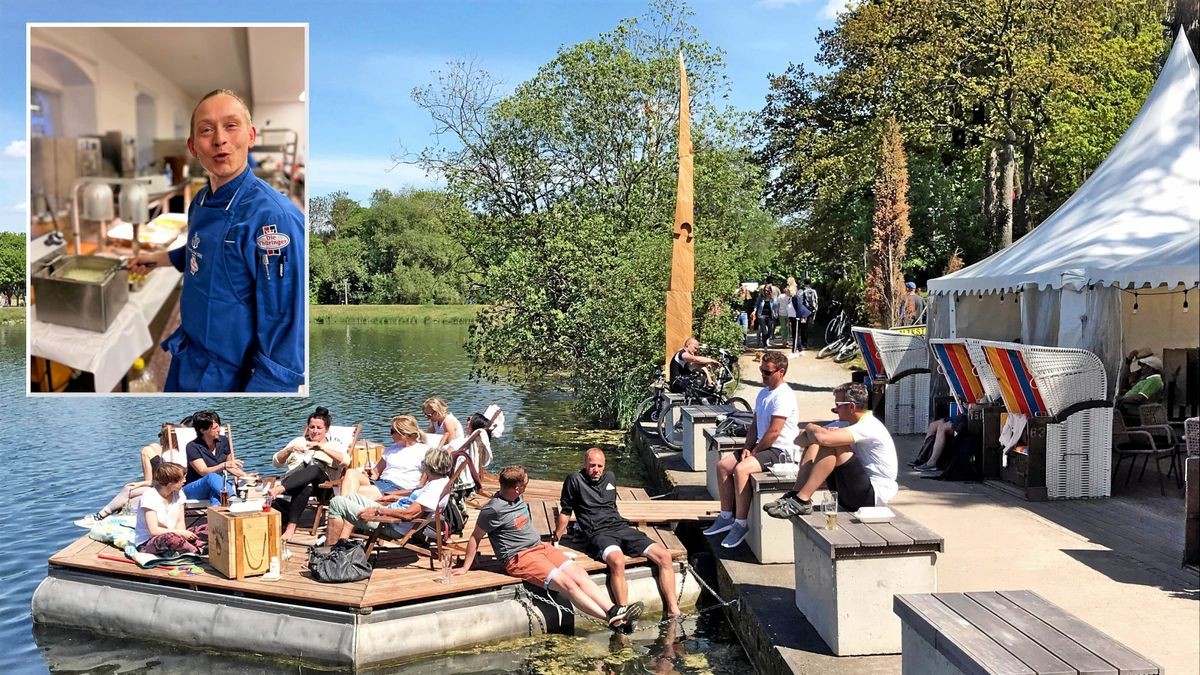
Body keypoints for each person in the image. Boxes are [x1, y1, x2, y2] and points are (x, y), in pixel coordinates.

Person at [130, 89, 304, 393]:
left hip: (231, 377)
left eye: (231, 126)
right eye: (206, 130)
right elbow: (207, 252)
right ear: (193, 147)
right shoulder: (200, 202)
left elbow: (285, 339)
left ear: (251, 135)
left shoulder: (274, 219)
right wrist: (159, 259)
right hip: (188, 358)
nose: (220, 139)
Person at [454, 465, 644, 630]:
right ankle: (611, 619)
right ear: (518, 488)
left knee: (579, 575)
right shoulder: (492, 510)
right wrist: (464, 568)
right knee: (567, 584)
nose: (528, 487)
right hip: (519, 558)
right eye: (526, 485)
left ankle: (614, 609)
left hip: (540, 547)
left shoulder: (517, 497)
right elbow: (475, 537)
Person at [554, 448, 681, 617]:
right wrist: (556, 539)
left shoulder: (610, 477)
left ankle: (673, 609)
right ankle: (623, 613)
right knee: (618, 560)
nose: (596, 470)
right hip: (597, 533)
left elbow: (612, 507)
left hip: (620, 527)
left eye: (600, 466)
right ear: (584, 464)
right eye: (592, 465)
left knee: (664, 556)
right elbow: (566, 512)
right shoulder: (574, 480)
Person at [704, 350, 799, 548]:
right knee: (723, 465)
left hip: (780, 450)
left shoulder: (784, 395)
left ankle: (741, 523)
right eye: (761, 371)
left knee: (741, 469)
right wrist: (747, 446)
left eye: (767, 372)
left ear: (780, 372)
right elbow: (755, 424)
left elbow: (774, 432)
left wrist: (754, 451)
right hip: (762, 447)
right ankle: (726, 516)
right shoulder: (764, 393)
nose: (763, 375)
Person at [764, 382, 899, 518]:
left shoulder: (869, 425)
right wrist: (816, 435)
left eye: (837, 406)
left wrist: (810, 427)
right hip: (848, 491)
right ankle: (796, 494)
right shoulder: (845, 423)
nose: (835, 410)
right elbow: (798, 440)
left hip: (870, 496)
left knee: (829, 443)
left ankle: (802, 500)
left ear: (851, 406)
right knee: (815, 443)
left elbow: (823, 439)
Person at [324, 446, 454, 544]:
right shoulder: (440, 481)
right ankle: (339, 543)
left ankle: (329, 551)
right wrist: (397, 498)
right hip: (391, 514)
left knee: (337, 503)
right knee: (351, 498)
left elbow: (409, 514)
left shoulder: (435, 487)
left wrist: (380, 510)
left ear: (429, 466)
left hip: (392, 524)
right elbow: (416, 504)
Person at [75, 423, 190, 528]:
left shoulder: (169, 455)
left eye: (161, 435)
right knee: (130, 490)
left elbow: (168, 480)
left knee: (128, 489)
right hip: (169, 486)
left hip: (172, 488)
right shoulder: (178, 453)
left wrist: (141, 483)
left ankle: (100, 516)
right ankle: (101, 516)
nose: (160, 438)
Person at [266, 406, 349, 542]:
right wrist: (289, 450)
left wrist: (321, 448)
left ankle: (280, 489)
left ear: (326, 429)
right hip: (295, 484)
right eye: (312, 427)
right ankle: (291, 526)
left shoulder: (333, 445)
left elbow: (346, 461)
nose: (315, 431)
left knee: (315, 468)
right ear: (307, 427)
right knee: (306, 484)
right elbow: (276, 462)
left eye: (319, 428)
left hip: (322, 488)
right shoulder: (299, 442)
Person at [340, 415, 429, 500]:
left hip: (399, 488)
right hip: (382, 483)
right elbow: (376, 473)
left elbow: (425, 480)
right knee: (351, 472)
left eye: (392, 431)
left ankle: (341, 509)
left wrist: (413, 493)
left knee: (352, 491)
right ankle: (342, 508)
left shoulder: (424, 451)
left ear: (403, 433)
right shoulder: (391, 449)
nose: (390, 435)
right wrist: (369, 473)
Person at [134, 462, 208, 556]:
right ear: (171, 482)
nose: (185, 480)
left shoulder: (179, 493)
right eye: (182, 478)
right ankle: (198, 551)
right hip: (149, 541)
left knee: (209, 528)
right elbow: (153, 530)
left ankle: (188, 546)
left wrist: (183, 535)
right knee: (170, 538)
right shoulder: (149, 496)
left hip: (175, 533)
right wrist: (179, 533)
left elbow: (180, 521)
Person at [183, 410, 247, 504]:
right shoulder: (192, 447)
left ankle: (217, 517)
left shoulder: (224, 441)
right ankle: (233, 499)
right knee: (212, 477)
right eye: (215, 428)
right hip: (195, 488)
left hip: (218, 486)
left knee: (216, 494)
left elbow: (231, 467)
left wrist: (246, 476)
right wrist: (223, 465)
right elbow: (203, 471)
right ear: (202, 430)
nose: (219, 429)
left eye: (218, 426)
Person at [795, 279, 819, 351]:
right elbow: (816, 300)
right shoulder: (813, 291)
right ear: (810, 283)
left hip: (804, 311)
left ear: (804, 283)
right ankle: (809, 343)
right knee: (809, 326)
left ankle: (803, 343)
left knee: (803, 326)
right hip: (811, 311)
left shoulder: (801, 291)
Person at [752, 280, 777, 349]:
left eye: (767, 290)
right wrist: (754, 311)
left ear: (770, 291)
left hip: (770, 315)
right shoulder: (761, 297)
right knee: (764, 331)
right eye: (765, 290)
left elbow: (775, 306)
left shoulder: (773, 298)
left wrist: (776, 313)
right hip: (761, 315)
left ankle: (765, 340)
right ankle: (765, 345)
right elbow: (756, 305)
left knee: (770, 331)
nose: (766, 292)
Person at [777, 278, 796, 351]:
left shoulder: (780, 296)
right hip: (789, 313)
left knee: (783, 327)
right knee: (788, 327)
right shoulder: (790, 296)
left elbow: (778, 305)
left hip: (781, 313)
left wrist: (777, 312)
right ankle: (787, 341)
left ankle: (783, 341)